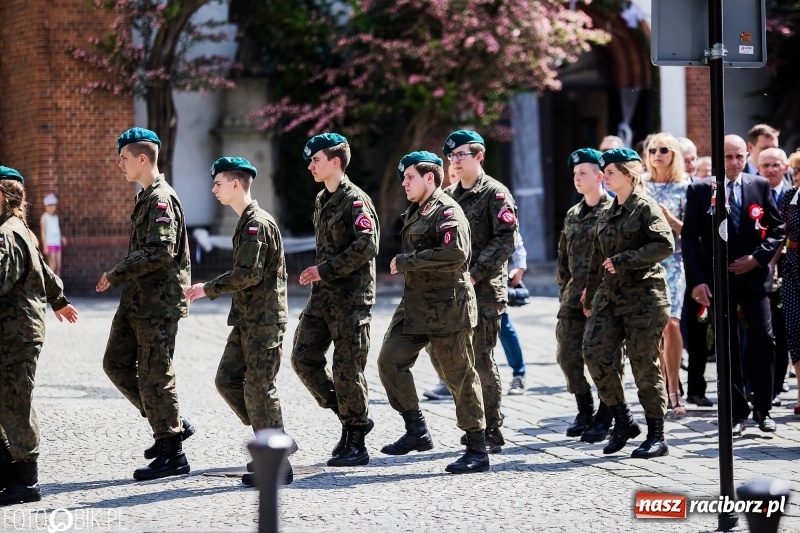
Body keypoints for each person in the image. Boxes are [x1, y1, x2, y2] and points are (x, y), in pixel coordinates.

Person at [377, 150, 489, 474]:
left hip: (447, 306)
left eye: (410, 177)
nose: (404, 183)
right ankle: (417, 430)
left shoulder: (447, 210)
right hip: (416, 305)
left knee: (459, 376)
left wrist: (407, 261)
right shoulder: (417, 210)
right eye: (404, 178)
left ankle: (477, 449)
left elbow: (456, 252)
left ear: (430, 177)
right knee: (389, 360)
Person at [184, 157, 293, 486]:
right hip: (248, 319)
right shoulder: (246, 222)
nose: (213, 189)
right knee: (227, 379)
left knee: (260, 388)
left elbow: (248, 274)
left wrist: (208, 288)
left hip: (264, 320)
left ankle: (277, 461)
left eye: (218, 183)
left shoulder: (255, 223)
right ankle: (271, 438)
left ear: (235, 184)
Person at [96, 127, 193, 480]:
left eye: (123, 158)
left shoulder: (160, 199)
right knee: (115, 363)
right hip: (137, 300)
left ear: (141, 158)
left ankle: (172, 452)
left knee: (156, 372)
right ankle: (169, 422)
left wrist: (117, 272)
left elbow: (160, 251)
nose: (120, 165)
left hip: (158, 304)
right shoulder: (145, 197)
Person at [683, 134, 785, 435]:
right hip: (718, 279)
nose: (734, 162)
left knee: (763, 339)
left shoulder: (759, 185)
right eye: (728, 157)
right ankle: (736, 412)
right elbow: (690, 238)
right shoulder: (701, 189)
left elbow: (778, 228)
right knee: (727, 345)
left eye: (739, 156)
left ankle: (763, 409)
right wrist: (697, 281)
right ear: (719, 158)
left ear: (747, 156)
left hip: (753, 277)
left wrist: (757, 258)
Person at [290, 133, 379, 467]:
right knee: (303, 359)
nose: (310, 166)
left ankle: (356, 440)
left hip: (351, 299)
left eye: (316, 160)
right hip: (322, 298)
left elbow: (368, 245)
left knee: (347, 369)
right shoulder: (321, 199)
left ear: (335, 162)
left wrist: (324, 270)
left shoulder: (355, 200)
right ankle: (349, 415)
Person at [582, 148, 674, 458]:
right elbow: (597, 257)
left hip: (645, 299)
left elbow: (665, 244)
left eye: (610, 172)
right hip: (610, 297)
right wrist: (589, 295)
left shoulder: (645, 207)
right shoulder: (608, 210)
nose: (604, 176)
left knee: (643, 364)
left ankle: (657, 435)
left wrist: (626, 259)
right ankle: (623, 420)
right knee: (594, 353)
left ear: (628, 175)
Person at [0, 166, 78, 505]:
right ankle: (7, 470)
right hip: (15, 331)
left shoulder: (7, 233)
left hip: (15, 333)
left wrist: (59, 300)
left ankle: (26, 479)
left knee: (16, 401)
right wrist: (59, 300)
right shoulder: (20, 230)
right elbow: (44, 271)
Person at [441, 129, 517, 454]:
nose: (455, 161)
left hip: (484, 291)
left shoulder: (495, 194)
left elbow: (506, 239)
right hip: (454, 291)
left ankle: (492, 429)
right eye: (451, 156)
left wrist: (475, 274)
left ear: (479, 156)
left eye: (461, 155)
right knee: (457, 360)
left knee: (481, 359)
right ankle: (475, 423)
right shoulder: (448, 195)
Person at [557, 149, 623, 442]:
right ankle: (584, 409)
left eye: (582, 173)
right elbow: (563, 258)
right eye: (574, 174)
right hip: (573, 299)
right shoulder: (573, 213)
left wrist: (597, 292)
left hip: (603, 300)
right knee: (568, 357)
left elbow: (615, 258)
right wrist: (564, 290)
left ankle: (607, 415)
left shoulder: (613, 211)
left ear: (600, 176)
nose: (577, 178)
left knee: (605, 360)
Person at [643, 133, 689, 416]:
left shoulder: (684, 186)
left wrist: (669, 218)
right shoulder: (641, 185)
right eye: (652, 150)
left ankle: (674, 389)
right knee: (655, 328)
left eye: (664, 150)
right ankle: (659, 385)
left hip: (674, 262)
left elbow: (692, 231)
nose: (657, 155)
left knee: (672, 324)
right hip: (647, 264)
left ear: (674, 155)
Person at [757, 148, 791, 404]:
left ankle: (777, 386)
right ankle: (756, 387)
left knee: (781, 331)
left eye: (775, 165)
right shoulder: (752, 192)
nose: (770, 170)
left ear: (785, 167)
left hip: (787, 271)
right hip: (757, 271)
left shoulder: (791, 196)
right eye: (765, 165)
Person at [779, 182, 800, 413]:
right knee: (794, 329)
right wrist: (770, 263)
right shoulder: (791, 195)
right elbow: (781, 232)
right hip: (793, 264)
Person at [502, 232, 527, 395]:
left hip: (490, 279)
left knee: (503, 327)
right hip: (459, 278)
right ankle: (449, 381)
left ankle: (518, 374)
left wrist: (519, 266)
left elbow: (512, 233)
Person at [40, 193, 65, 277]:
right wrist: (45, 246)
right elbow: (43, 232)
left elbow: (56, 230)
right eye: (49, 205)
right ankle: (51, 284)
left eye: (53, 205)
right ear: (46, 206)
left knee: (58, 265)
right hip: (50, 244)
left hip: (57, 242)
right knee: (52, 265)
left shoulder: (55, 217)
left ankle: (58, 284)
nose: (51, 207)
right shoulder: (44, 218)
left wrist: (61, 238)